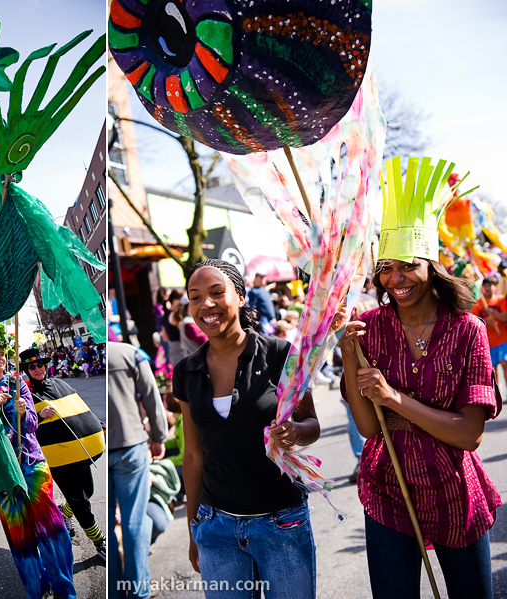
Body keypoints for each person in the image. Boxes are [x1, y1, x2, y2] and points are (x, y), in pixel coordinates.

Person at [338, 156, 501, 599]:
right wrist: (348, 357)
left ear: (431, 264)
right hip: (388, 492)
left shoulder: (469, 330)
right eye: (386, 267)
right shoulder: (367, 328)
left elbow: (469, 434)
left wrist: (393, 398)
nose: (396, 278)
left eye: (407, 264)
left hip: (454, 493)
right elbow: (371, 429)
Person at [175, 259, 320, 599]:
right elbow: (194, 455)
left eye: (216, 293)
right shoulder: (186, 371)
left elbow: (312, 425)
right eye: (195, 297)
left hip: (281, 523)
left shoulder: (280, 354)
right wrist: (194, 527)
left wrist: (294, 432)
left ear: (240, 297)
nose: (205, 304)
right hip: (216, 528)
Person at [0, 339, 76, 599]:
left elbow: (32, 424)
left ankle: (65, 590)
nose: (1, 357)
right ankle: (36, 590)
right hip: (2, 473)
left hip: (32, 463)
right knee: (20, 538)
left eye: (2, 353)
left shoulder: (16, 383)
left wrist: (23, 414)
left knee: (52, 530)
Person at [19, 347, 107, 559]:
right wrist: (38, 415)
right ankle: (100, 542)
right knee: (80, 500)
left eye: (40, 364)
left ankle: (64, 513)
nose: (38, 368)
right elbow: (20, 426)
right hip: (58, 457)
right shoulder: (25, 393)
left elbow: (79, 406)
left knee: (89, 491)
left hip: (82, 452)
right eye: (32, 366)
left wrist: (96, 424)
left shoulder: (59, 382)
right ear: (26, 370)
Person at [107, 341, 167, 599]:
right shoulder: (130, 354)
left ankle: (115, 591)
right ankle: (138, 590)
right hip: (130, 445)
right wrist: (159, 435)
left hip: (105, 446)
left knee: (111, 525)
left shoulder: (124, 354)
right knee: (133, 521)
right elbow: (152, 396)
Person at [471, 275, 507, 385]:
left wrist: (494, 313)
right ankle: (497, 394)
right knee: (492, 370)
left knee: (505, 363)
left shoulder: (500, 299)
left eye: (490, 285)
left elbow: (505, 317)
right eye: (485, 285)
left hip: (503, 338)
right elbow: (475, 322)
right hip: (487, 342)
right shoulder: (477, 303)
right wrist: (486, 321)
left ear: (495, 287)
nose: (487, 288)